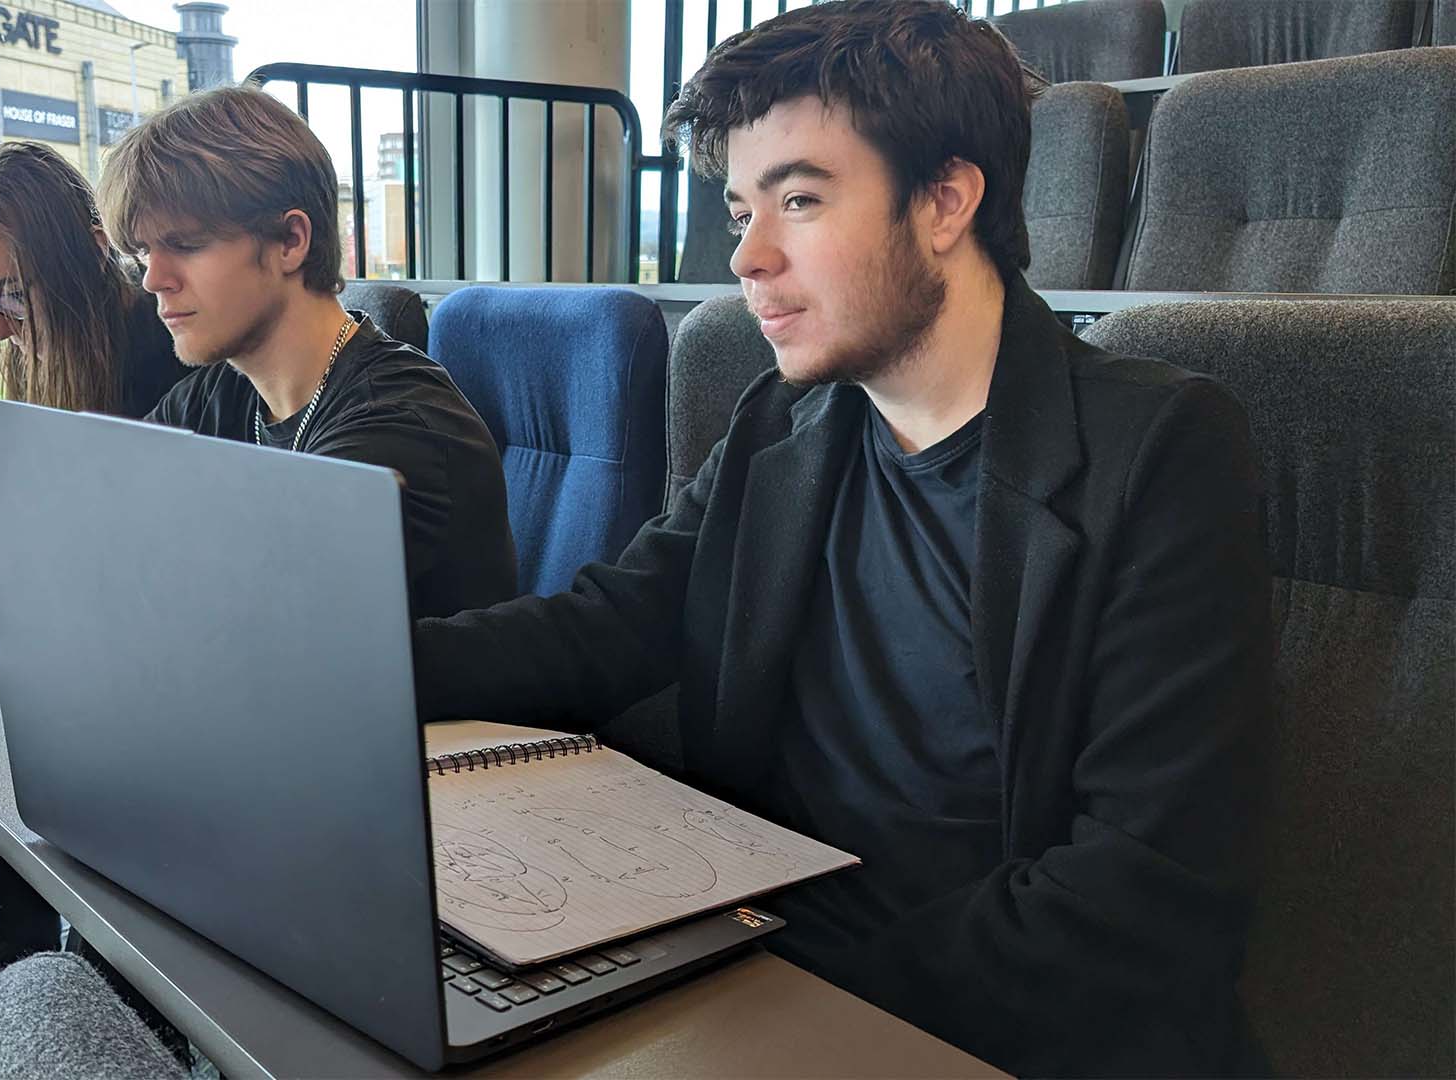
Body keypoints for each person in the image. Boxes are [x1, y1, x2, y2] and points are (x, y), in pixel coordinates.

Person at [411, 3, 1271, 1075]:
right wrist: (360, 671)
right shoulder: (784, 423)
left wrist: (776, 1017)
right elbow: (610, 626)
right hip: (754, 959)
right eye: (738, 212)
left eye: (801, 201)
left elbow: (1140, 889)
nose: (750, 258)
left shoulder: (1160, 450)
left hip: (981, 1024)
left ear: (948, 200)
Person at [95, 85, 518, 619]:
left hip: (409, 704)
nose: (154, 279)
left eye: (185, 244)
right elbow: (108, 502)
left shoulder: (399, 425)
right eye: (142, 253)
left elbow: (245, 613)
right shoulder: (220, 390)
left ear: (291, 241)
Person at [0, 140, 187, 565]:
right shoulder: (42, 349)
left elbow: (168, 540)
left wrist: (13, 534)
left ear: (94, 251)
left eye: (11, 295)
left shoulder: (173, 359)